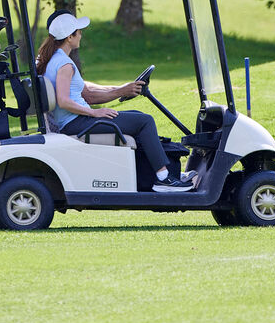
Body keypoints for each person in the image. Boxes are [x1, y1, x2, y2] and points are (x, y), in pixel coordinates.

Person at [36, 11, 193, 192]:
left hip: (74, 122)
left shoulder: (53, 60)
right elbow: (63, 101)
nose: (81, 35)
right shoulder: (65, 64)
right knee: (145, 121)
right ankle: (164, 179)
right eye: (79, 32)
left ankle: (164, 172)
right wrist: (94, 112)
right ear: (70, 36)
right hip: (77, 123)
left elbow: (87, 93)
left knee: (137, 117)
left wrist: (121, 89)